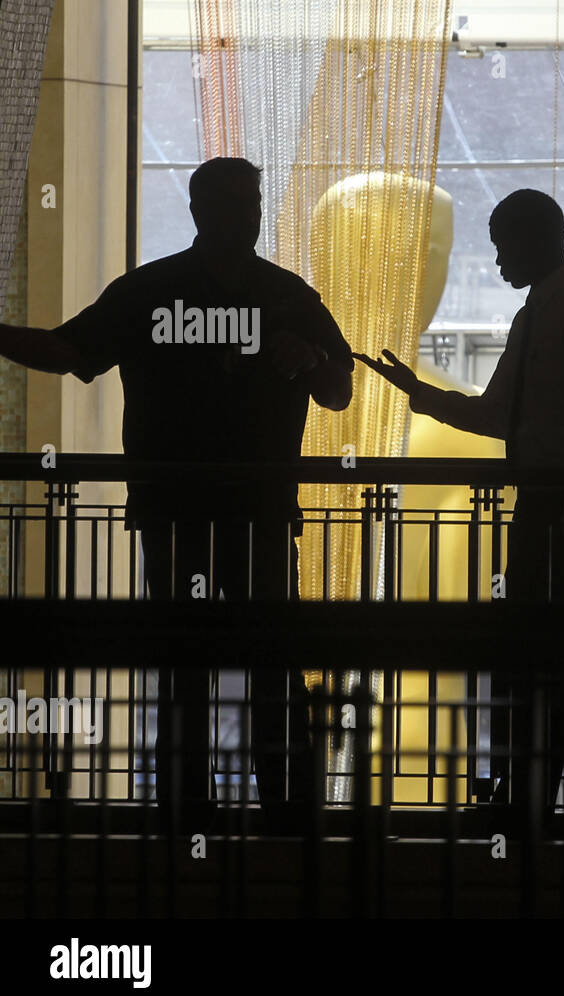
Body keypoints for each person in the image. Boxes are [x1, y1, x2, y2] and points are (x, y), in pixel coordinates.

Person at [0, 156, 354, 835]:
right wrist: (308, 362)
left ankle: (185, 811)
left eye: (248, 204)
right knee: (272, 663)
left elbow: (66, 352)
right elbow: (338, 391)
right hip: (259, 514)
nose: (248, 217)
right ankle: (287, 811)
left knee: (183, 664)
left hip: (174, 509)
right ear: (210, 212)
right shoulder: (284, 297)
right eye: (241, 205)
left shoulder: (151, 292)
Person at [356, 188, 564, 839]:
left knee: (549, 661)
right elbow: (532, 418)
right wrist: (421, 395)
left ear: (536, 241)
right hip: (562, 515)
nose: (498, 259)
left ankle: (546, 799)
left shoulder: (563, 319)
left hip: (561, 516)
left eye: (504, 244)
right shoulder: (561, 316)